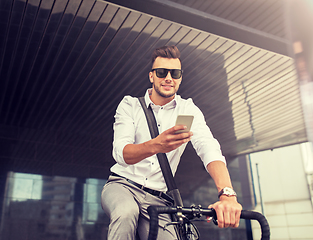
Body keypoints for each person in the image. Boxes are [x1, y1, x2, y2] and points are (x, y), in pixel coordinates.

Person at [101, 45, 242, 240]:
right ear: (152, 76)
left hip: (158, 199)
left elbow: (208, 147)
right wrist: (156, 145)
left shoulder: (187, 110)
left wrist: (227, 194)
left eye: (175, 73)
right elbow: (120, 153)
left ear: (180, 78)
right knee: (126, 213)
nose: (168, 78)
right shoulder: (130, 105)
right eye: (161, 72)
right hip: (122, 185)